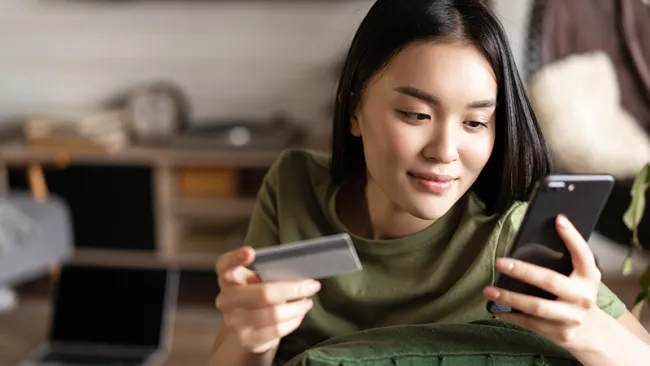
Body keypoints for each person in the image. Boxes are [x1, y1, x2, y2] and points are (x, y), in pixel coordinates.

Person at [209, 0, 650, 365]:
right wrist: (251, 334)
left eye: (475, 122)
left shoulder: (510, 242)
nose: (444, 150)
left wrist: (588, 331)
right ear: (353, 110)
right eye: (416, 115)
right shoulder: (294, 189)